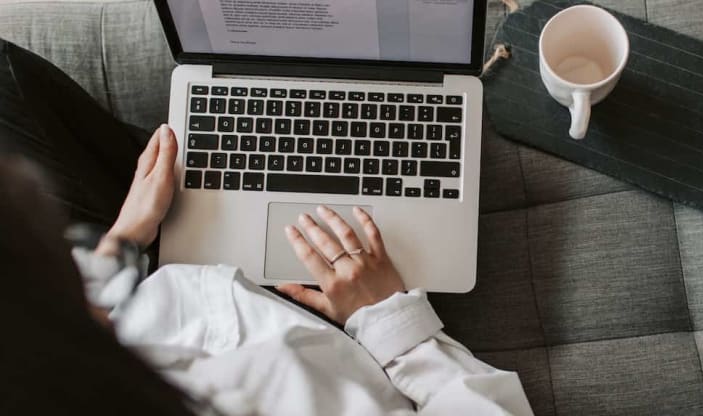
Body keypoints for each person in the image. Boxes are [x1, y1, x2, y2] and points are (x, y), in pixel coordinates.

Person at [0, 38, 532, 415]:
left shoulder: (48, 358)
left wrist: (125, 239)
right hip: (324, 319)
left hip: (149, 273)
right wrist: (384, 317)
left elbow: (52, 313)